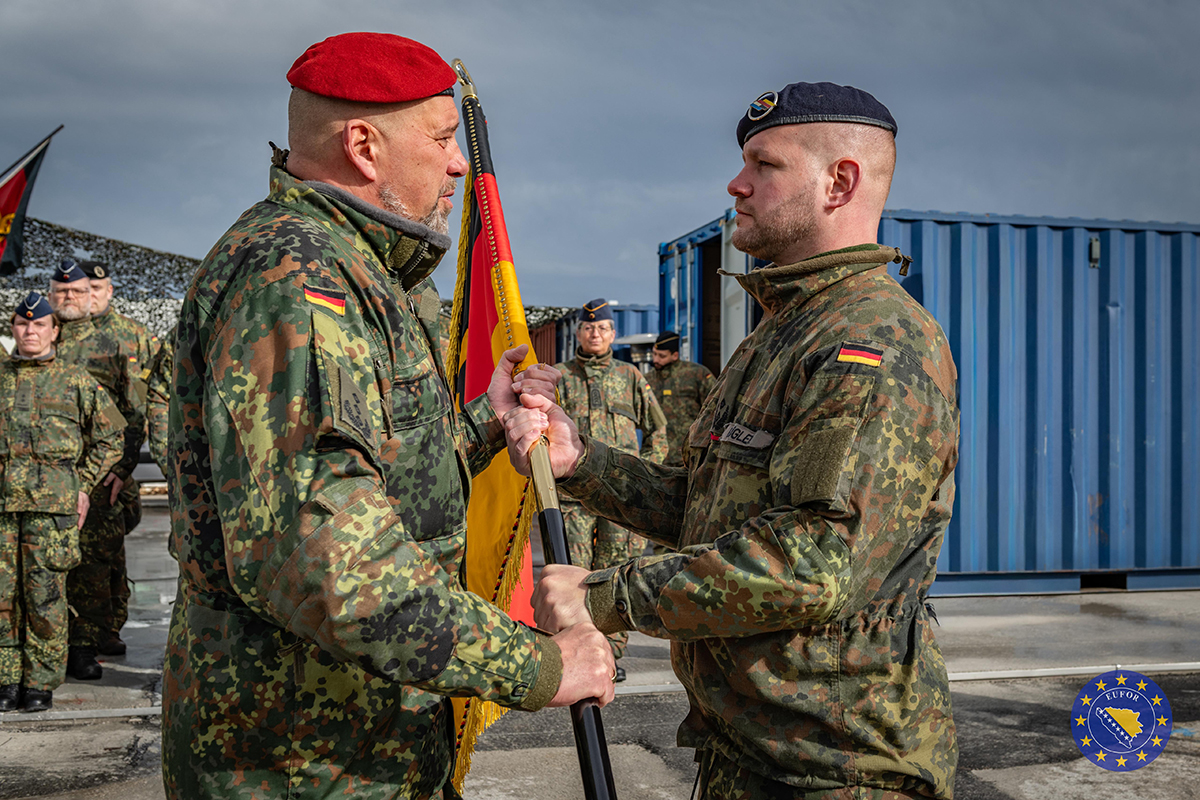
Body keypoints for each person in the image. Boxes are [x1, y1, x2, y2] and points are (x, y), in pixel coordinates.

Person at [160, 32, 615, 799]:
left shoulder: (353, 268)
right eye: (441, 139)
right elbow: (330, 565)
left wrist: (482, 425)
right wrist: (538, 665)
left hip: (361, 741)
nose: (458, 165)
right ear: (365, 147)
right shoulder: (298, 279)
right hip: (303, 761)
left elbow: (375, 464)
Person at [505, 82, 961, 799]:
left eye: (763, 164)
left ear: (839, 181)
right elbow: (707, 507)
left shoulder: (872, 342)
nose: (736, 183)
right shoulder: (777, 335)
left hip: (835, 766)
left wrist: (606, 595)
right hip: (746, 748)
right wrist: (582, 463)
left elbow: (812, 563)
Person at [0, 293, 123, 713]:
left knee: (45, 595)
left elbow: (112, 438)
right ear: (13, 329)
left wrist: (83, 485)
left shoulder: (77, 380)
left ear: (54, 331)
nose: (29, 332)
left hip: (52, 511)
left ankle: (39, 681)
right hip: (2, 509)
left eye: (39, 325)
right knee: (2, 596)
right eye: (22, 324)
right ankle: (5, 677)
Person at [553, 299, 667, 682]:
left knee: (615, 574)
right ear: (578, 334)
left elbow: (657, 430)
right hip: (573, 499)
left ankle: (611, 656)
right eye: (588, 329)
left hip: (621, 497)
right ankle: (574, 651)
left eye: (602, 328)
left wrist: (645, 476)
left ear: (613, 334)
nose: (595, 334)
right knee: (575, 573)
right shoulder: (560, 377)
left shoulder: (630, 376)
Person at [47, 259, 145, 681]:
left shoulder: (114, 341)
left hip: (100, 471)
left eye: (77, 292)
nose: (69, 299)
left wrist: (121, 468)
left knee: (93, 565)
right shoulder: (41, 336)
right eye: (61, 292)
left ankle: (87, 645)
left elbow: (135, 410)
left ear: (92, 295)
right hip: (49, 475)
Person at [79, 259, 156, 655]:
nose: (90, 296)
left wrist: (122, 467)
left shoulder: (133, 336)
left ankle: (109, 626)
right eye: (84, 289)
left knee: (108, 553)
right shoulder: (63, 333)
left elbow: (141, 407)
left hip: (113, 466)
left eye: (98, 289)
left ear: (109, 291)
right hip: (76, 462)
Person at [646, 331, 715, 468]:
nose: (655, 360)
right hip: (656, 458)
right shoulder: (647, 380)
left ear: (675, 355)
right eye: (654, 354)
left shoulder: (696, 374)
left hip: (689, 456)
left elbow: (715, 409)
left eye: (661, 356)